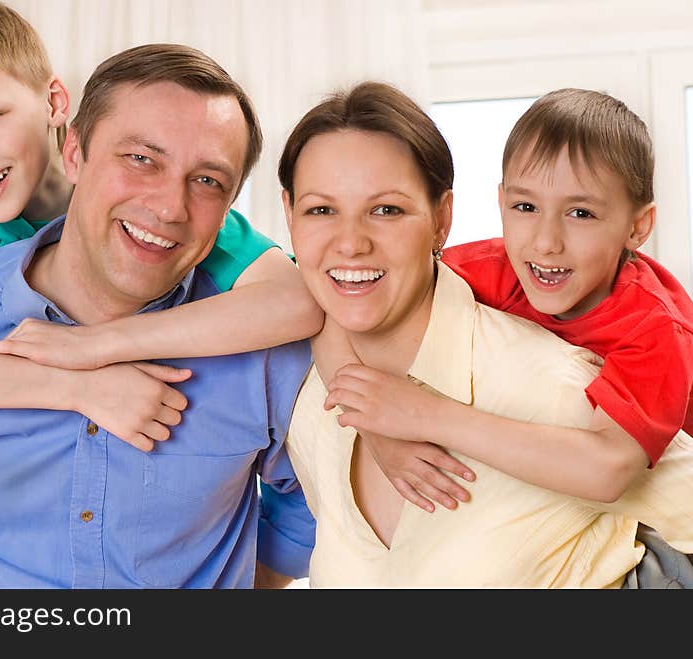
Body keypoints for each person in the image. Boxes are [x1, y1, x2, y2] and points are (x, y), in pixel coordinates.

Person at [0, 43, 314, 588]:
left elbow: (308, 509)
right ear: (74, 152)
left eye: (208, 181)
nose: (170, 206)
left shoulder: (260, 334)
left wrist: (99, 346)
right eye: (141, 159)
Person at [0, 0, 322, 451]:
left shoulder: (151, 204)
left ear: (55, 102)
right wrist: (77, 387)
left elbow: (296, 300)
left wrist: (97, 345)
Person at [279, 81, 693, 587]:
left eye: (581, 213)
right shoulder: (490, 270)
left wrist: (426, 414)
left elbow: (611, 470)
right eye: (525, 207)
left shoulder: (649, 334)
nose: (546, 242)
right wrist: (380, 428)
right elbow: (333, 307)